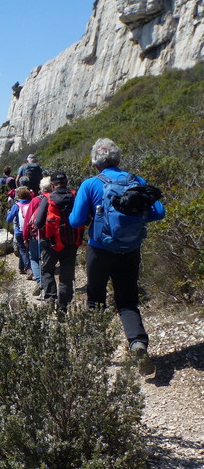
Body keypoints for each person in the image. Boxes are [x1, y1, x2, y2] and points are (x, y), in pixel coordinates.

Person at [69, 138, 165, 373]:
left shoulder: (90, 184)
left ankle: (95, 350)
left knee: (95, 298)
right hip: (130, 250)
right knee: (127, 301)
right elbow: (159, 212)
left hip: (100, 250)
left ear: (95, 163)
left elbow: (76, 221)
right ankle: (138, 343)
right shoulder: (136, 181)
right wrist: (134, 218)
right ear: (119, 159)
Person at [34, 171, 83, 313]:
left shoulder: (48, 199)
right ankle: (63, 305)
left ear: (52, 184)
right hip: (72, 242)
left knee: (47, 269)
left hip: (53, 244)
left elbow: (38, 222)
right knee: (67, 275)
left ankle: (50, 297)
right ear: (66, 182)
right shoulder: (74, 197)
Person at [22, 175, 52, 296]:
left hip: (37, 234)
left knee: (34, 258)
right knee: (47, 260)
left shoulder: (36, 200)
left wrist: (25, 237)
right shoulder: (55, 198)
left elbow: (27, 221)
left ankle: (40, 280)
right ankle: (49, 284)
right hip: (52, 235)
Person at [6, 187, 32, 276]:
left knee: (23, 249)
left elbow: (9, 219)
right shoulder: (32, 204)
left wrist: (8, 213)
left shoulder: (16, 206)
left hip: (19, 231)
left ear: (19, 196)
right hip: (30, 231)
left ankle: (29, 269)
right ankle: (22, 268)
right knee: (25, 249)